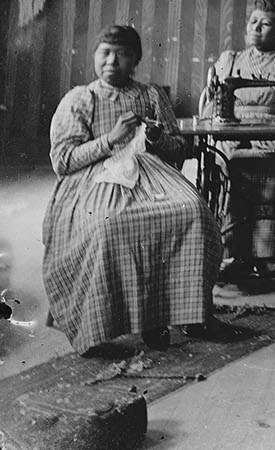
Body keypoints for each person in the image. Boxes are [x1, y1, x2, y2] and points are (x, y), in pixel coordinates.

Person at [43, 25, 223, 354]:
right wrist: (109, 140)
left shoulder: (151, 96)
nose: (112, 61)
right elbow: (64, 161)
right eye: (105, 53)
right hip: (95, 177)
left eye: (122, 54)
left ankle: (186, 313)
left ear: (136, 59)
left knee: (192, 211)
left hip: (148, 171)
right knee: (108, 224)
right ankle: (102, 326)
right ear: (95, 56)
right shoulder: (81, 99)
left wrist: (156, 139)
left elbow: (178, 150)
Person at [206, 0, 275, 282]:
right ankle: (233, 254)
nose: (256, 28)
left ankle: (268, 256)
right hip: (232, 133)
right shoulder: (229, 61)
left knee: (273, 166)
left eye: (265, 24)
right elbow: (210, 107)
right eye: (253, 22)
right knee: (227, 163)